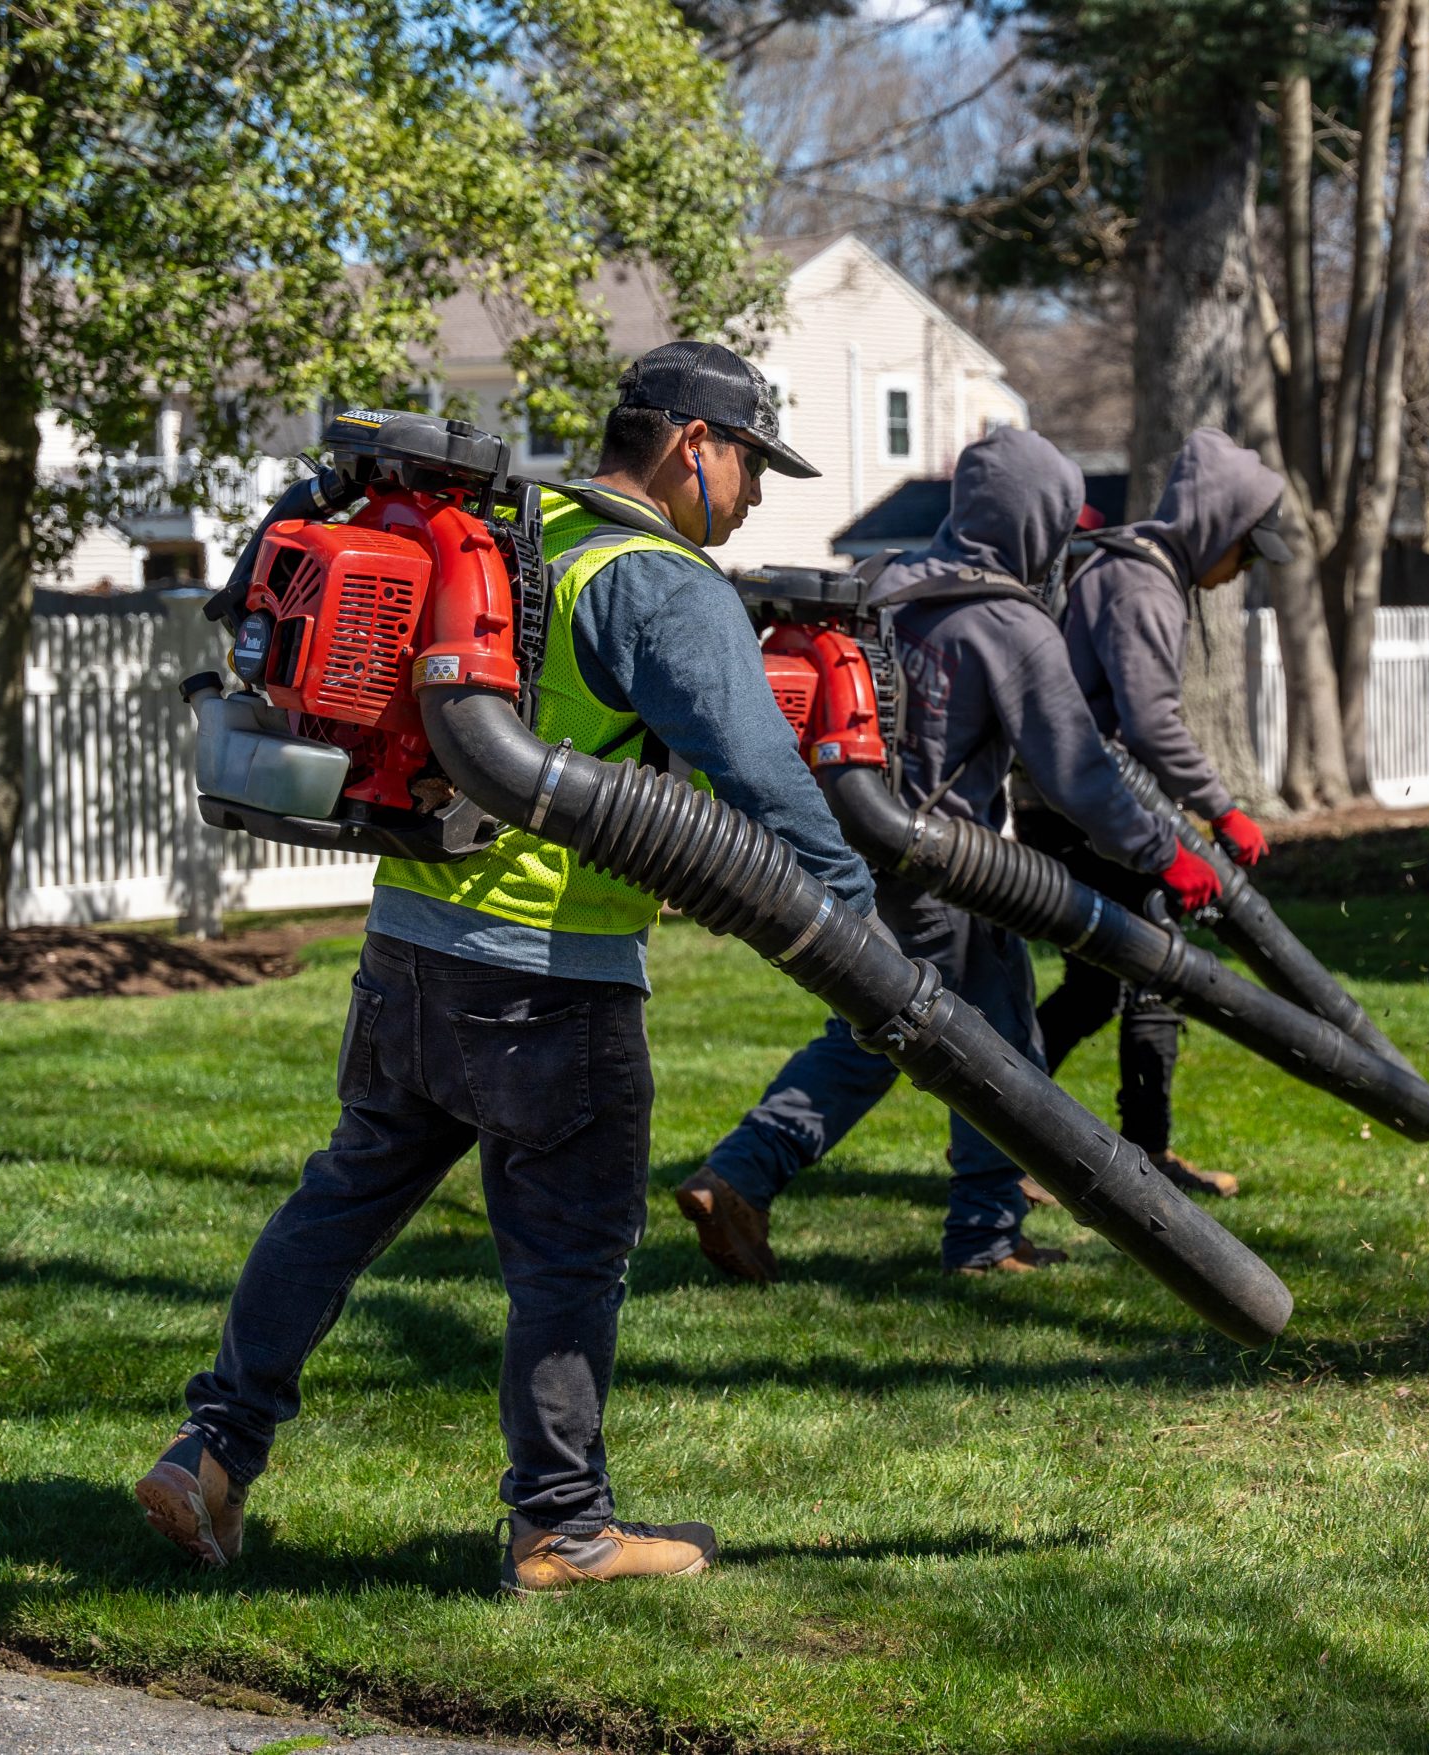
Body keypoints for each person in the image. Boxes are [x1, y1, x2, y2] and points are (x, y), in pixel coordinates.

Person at [135, 341, 875, 1594]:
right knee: (571, 1255)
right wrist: (851, 924)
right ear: (695, 447)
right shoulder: (660, 580)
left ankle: (213, 1448)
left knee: (339, 1205)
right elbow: (761, 781)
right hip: (554, 976)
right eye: (752, 465)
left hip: (409, 951)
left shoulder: (521, 542)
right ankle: (562, 1527)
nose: (754, 498)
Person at [677, 426, 1219, 1282]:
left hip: (851, 851)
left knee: (894, 1027)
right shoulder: (1010, 623)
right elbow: (1079, 774)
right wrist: (1165, 854)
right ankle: (971, 1232)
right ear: (1034, 521)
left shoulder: (877, 587)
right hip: (951, 873)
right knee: (978, 1048)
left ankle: (752, 1181)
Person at [1015, 428, 1290, 1199]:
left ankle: (1009, 1140)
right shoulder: (1143, 584)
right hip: (1087, 804)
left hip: (1071, 798)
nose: (1242, 571)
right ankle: (1143, 1153)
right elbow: (1150, 722)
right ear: (1220, 529)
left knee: (1096, 986)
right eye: (1248, 553)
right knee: (1156, 970)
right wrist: (1221, 810)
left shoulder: (1136, 568)